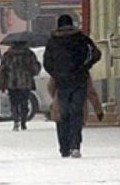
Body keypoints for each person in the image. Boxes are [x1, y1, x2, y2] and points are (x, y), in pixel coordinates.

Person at [43, 14, 102, 158]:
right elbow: (96, 53)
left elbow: (47, 62)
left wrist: (56, 73)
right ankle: (75, 145)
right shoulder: (81, 38)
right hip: (79, 80)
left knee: (63, 114)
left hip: (62, 82)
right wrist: (85, 66)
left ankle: (64, 147)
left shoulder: (53, 41)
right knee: (76, 113)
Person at [0, 40, 40, 130]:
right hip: (25, 82)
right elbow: (35, 69)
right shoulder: (29, 54)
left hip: (12, 82)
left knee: (14, 102)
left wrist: (0, 82)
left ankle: (16, 120)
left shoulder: (8, 55)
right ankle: (23, 122)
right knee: (24, 101)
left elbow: (2, 69)